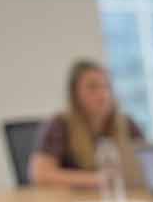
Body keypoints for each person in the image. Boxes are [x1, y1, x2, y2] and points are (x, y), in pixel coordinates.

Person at [29, 60, 145, 190]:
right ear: (74, 93)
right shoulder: (59, 125)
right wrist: (99, 179)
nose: (103, 93)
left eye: (107, 86)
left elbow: (147, 168)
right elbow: (41, 175)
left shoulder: (127, 124)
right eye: (92, 87)